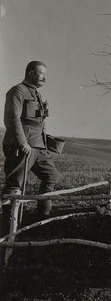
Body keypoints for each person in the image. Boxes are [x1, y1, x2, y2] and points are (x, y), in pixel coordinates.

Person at [1, 61, 62, 233]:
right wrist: (22, 142)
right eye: (41, 73)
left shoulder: (38, 95)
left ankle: (42, 219)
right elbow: (12, 119)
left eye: (45, 74)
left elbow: (39, 122)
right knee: (15, 185)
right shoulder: (17, 91)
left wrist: (46, 143)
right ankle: (9, 227)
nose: (45, 77)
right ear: (30, 73)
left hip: (38, 146)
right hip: (21, 146)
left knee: (52, 177)